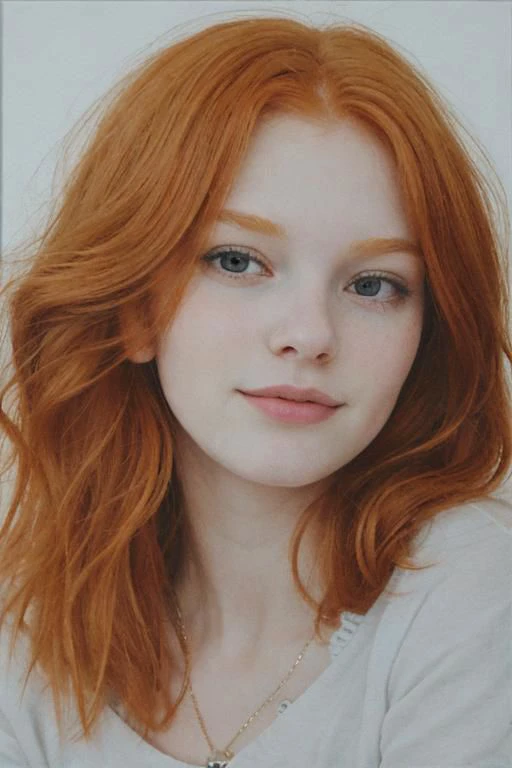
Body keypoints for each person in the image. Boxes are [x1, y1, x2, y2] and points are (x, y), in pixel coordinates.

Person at [0, 15, 511, 768]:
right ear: (135, 308)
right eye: (238, 262)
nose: (309, 334)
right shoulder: (34, 641)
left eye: (374, 284)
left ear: (426, 336)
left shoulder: (471, 590)